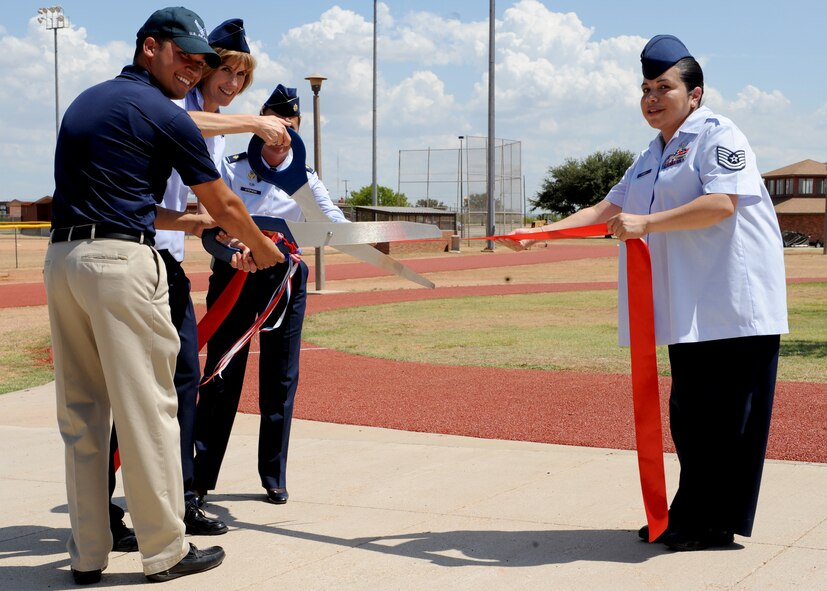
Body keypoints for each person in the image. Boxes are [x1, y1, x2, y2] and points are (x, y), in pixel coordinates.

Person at [499, 34, 788, 551]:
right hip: (689, 310)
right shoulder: (651, 154)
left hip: (736, 308)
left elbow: (722, 203)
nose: (652, 98)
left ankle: (715, 523)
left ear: (695, 95)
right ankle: (690, 512)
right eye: (646, 88)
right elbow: (606, 211)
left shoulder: (719, 136)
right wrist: (543, 231)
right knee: (692, 418)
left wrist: (648, 222)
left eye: (665, 87)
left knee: (728, 424)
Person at [44, 7, 284, 584]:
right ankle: (165, 551)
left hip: (63, 261)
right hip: (122, 266)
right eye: (183, 56)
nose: (193, 68)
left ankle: (87, 554)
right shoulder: (163, 111)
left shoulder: (88, 102)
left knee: (82, 415)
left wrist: (195, 227)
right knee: (149, 410)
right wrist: (264, 250)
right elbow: (227, 202)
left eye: (200, 61)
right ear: (150, 48)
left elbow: (134, 202)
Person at [106, 16, 284, 545]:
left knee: (183, 381)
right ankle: (107, 500)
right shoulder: (178, 111)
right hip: (132, 261)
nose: (231, 84)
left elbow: (202, 210)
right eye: (224, 71)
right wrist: (253, 122)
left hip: (169, 264)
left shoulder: (211, 126)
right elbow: (191, 129)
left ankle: (182, 498)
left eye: (241, 78)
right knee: (138, 388)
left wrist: (231, 242)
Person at [192, 85, 349, 507]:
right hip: (235, 277)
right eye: (276, 125)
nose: (282, 135)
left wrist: (350, 233)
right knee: (221, 375)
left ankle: (273, 476)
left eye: (291, 128)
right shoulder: (232, 167)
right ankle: (200, 478)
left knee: (281, 379)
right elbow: (210, 223)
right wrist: (232, 248)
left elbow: (331, 221)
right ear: (263, 124)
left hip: (285, 281)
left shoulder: (306, 179)